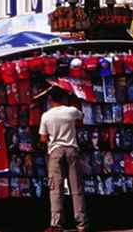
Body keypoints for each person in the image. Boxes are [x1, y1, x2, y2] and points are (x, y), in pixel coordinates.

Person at [39, 86, 88, 232]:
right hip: (72, 150)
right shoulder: (71, 111)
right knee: (76, 188)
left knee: (56, 189)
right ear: (63, 98)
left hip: (55, 152)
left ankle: (56, 224)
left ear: (49, 99)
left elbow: (43, 138)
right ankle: (82, 224)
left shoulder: (46, 116)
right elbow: (81, 116)